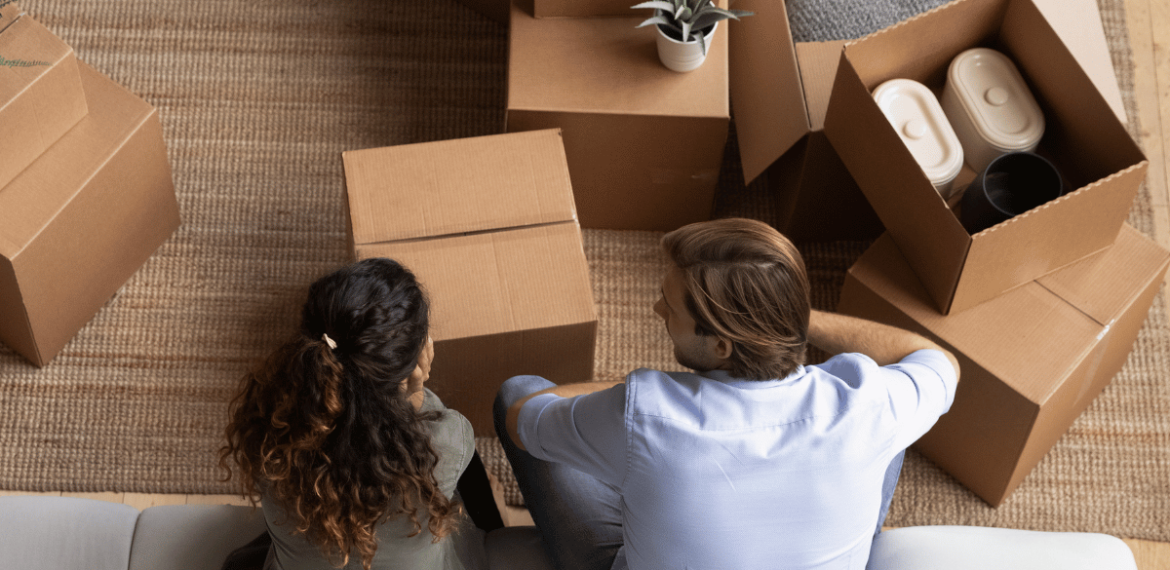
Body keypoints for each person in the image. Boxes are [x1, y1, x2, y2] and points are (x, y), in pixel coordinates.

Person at [494, 218, 961, 570]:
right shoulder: (865, 402)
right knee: (887, 416)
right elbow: (935, 359)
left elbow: (522, 418)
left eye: (669, 305)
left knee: (517, 389)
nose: (656, 308)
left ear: (720, 345)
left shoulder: (646, 412)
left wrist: (626, 397)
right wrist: (789, 319)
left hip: (635, 461)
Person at [220, 257, 500, 570]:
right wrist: (417, 398)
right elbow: (436, 433)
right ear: (412, 368)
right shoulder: (447, 441)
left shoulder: (266, 429)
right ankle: (496, 524)